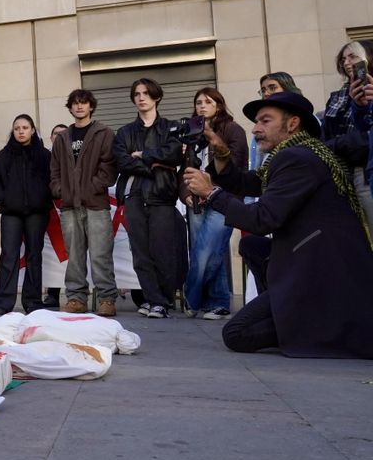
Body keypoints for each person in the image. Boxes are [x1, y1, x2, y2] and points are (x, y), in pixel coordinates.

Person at [184, 92, 373, 358]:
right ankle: (285, 307)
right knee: (253, 246)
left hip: (321, 274)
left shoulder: (297, 159)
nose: (256, 128)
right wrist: (221, 151)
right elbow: (251, 183)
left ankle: (305, 322)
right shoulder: (302, 152)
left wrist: (211, 193)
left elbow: (262, 219)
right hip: (315, 259)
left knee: (236, 333)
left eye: (265, 121)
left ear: (293, 124)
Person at [113, 78, 184, 319]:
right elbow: (122, 160)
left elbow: (174, 154)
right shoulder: (124, 132)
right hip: (133, 196)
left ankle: (162, 300)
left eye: (146, 93)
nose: (141, 98)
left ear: (157, 97)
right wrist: (153, 166)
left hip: (162, 196)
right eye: (137, 94)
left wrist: (143, 155)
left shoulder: (171, 127)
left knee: (163, 251)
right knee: (140, 252)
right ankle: (154, 300)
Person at [49, 90, 120, 316]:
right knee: (75, 255)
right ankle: (76, 298)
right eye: (75, 104)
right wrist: (61, 190)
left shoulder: (104, 133)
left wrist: (92, 187)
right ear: (70, 108)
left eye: (84, 103)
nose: (79, 107)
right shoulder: (62, 138)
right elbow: (55, 170)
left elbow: (110, 166)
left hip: (96, 204)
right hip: (70, 205)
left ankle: (106, 299)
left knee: (101, 254)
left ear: (91, 106)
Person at [181, 88, 247, 320]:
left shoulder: (232, 129)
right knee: (209, 251)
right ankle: (218, 303)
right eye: (198, 102)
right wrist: (185, 193)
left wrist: (210, 188)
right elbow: (184, 168)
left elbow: (236, 166)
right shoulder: (192, 133)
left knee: (206, 251)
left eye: (207, 102)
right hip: (195, 199)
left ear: (218, 105)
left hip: (222, 197)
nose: (201, 106)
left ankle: (192, 297)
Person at [0, 115, 52, 315]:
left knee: (34, 255)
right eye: (17, 128)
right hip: (11, 213)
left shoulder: (44, 156)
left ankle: (32, 301)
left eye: (25, 127)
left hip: (37, 213)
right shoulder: (3, 156)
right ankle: (3, 302)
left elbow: (53, 179)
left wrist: (43, 197)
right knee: (8, 255)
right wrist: (3, 199)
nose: (21, 131)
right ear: (12, 131)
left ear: (32, 130)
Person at [325, 42, 373, 225]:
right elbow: (327, 133)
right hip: (340, 173)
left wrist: (336, 144)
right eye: (343, 59)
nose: (346, 63)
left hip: (365, 172)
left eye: (352, 57)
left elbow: (364, 139)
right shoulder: (337, 96)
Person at [43, 124, 68, 309]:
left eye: (63, 134)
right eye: (56, 134)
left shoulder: (76, 155)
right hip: (50, 210)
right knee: (53, 254)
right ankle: (53, 294)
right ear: (50, 137)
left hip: (71, 207)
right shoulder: (44, 156)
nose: (59, 137)